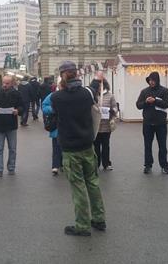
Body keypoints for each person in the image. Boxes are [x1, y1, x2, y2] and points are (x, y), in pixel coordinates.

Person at [51, 61, 106, 236]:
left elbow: (53, 117)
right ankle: (99, 219)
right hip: (88, 146)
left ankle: (82, 225)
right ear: (77, 74)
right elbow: (94, 86)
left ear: (62, 76)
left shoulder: (57, 98)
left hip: (70, 149)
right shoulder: (87, 94)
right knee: (93, 183)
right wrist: (98, 77)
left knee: (78, 186)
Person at [136, 72, 168, 175]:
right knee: (147, 145)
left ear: (157, 80)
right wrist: (146, 102)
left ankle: (164, 165)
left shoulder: (164, 91)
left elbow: (166, 104)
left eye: (153, 80)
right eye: (150, 80)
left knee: (162, 146)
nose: (151, 82)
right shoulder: (144, 91)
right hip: (147, 123)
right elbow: (138, 105)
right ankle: (148, 165)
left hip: (161, 123)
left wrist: (155, 100)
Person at [0, 75, 24, 177]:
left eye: (7, 83)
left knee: (12, 148)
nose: (4, 85)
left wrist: (18, 111)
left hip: (11, 125)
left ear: (11, 83)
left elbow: (22, 106)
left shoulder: (16, 93)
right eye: (3, 83)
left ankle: (11, 167)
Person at [90, 78, 118, 171]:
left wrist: (111, 111)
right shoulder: (92, 95)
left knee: (106, 145)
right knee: (96, 146)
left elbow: (115, 107)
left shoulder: (110, 95)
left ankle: (106, 163)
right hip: (95, 125)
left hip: (106, 125)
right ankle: (96, 163)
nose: (99, 87)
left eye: (101, 85)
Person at [42, 86, 62, 176]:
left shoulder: (71, 94)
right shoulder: (53, 95)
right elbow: (44, 106)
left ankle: (64, 164)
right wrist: (53, 109)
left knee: (66, 147)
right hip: (56, 125)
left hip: (69, 126)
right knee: (56, 147)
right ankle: (55, 166)